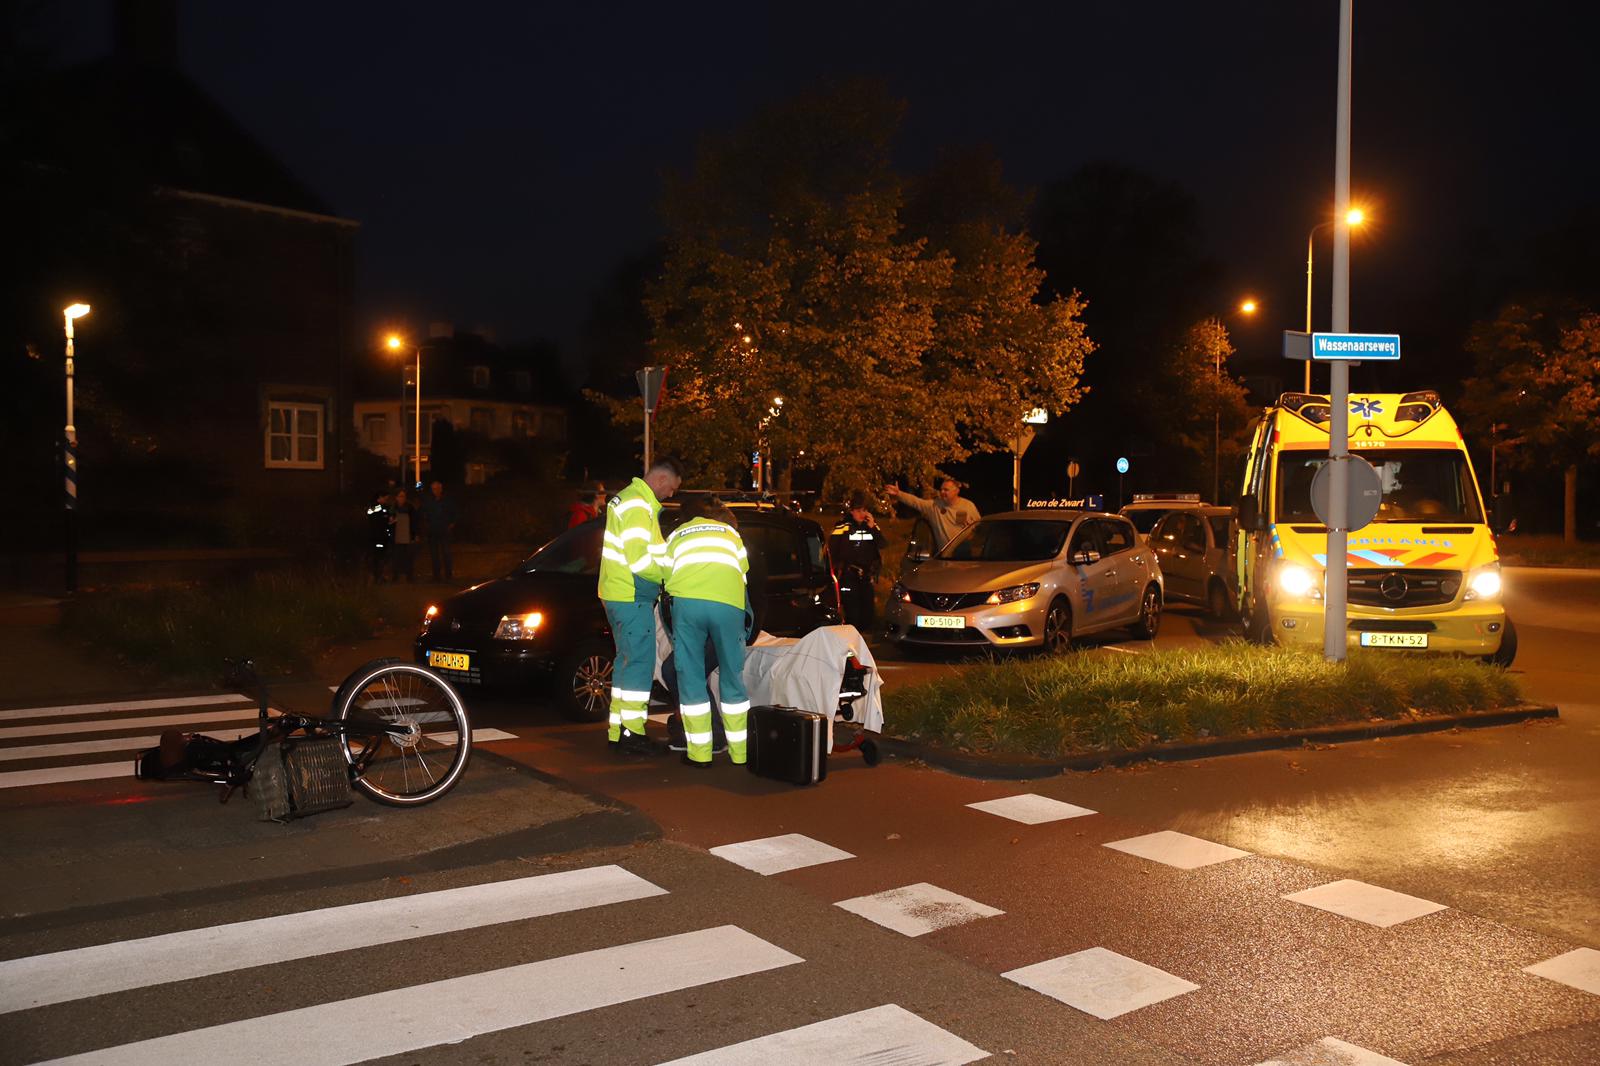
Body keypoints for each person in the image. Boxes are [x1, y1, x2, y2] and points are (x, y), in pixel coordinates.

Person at [597, 457, 683, 754]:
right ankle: (632, 732)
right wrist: (670, 575)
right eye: (671, 488)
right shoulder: (638, 505)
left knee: (625, 664)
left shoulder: (628, 500)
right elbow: (642, 561)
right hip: (631, 596)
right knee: (638, 666)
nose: (670, 495)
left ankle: (618, 730)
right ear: (660, 480)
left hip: (618, 594)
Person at [663, 499, 751, 767]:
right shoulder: (731, 535)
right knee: (732, 677)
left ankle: (700, 754)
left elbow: (665, 577)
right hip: (728, 605)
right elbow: (743, 574)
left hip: (688, 604)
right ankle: (740, 754)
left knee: (690, 677)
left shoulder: (677, 535)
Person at [830, 491, 884, 628]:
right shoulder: (842, 527)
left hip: (866, 576)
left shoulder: (871, 527)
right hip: (849, 575)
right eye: (858, 510)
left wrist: (873, 528)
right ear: (852, 511)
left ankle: (865, 640)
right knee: (852, 612)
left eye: (864, 510)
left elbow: (883, 544)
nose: (862, 514)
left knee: (868, 611)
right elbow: (832, 551)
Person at [885, 476, 980, 553]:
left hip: (963, 553)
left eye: (946, 490)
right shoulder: (934, 506)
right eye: (941, 489)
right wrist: (899, 494)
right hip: (943, 554)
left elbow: (980, 527)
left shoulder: (968, 506)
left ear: (956, 491)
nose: (942, 492)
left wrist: (973, 530)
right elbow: (916, 502)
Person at [421, 480, 459, 581]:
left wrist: (451, 524)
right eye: (434, 489)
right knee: (434, 555)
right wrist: (427, 524)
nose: (436, 491)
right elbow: (425, 513)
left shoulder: (447, 500)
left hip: (444, 530)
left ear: (441, 489)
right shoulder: (429, 501)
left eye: (437, 489)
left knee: (446, 553)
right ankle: (436, 575)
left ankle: (448, 575)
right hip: (433, 531)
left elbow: (454, 512)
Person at [390, 488, 418, 582]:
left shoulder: (410, 507)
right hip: (397, 536)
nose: (402, 498)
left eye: (403, 496)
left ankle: (409, 577)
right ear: (396, 497)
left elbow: (414, 522)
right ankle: (395, 576)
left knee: (408, 557)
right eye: (400, 496)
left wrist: (414, 535)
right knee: (396, 557)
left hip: (407, 536)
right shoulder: (393, 508)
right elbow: (389, 521)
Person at [365, 491, 393, 583]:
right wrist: (380, 507)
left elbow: (386, 520)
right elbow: (369, 512)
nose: (386, 500)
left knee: (382, 557)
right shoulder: (375, 507)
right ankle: (376, 576)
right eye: (385, 498)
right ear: (380, 497)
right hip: (376, 537)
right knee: (377, 557)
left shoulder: (385, 508)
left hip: (383, 537)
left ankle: (380, 576)